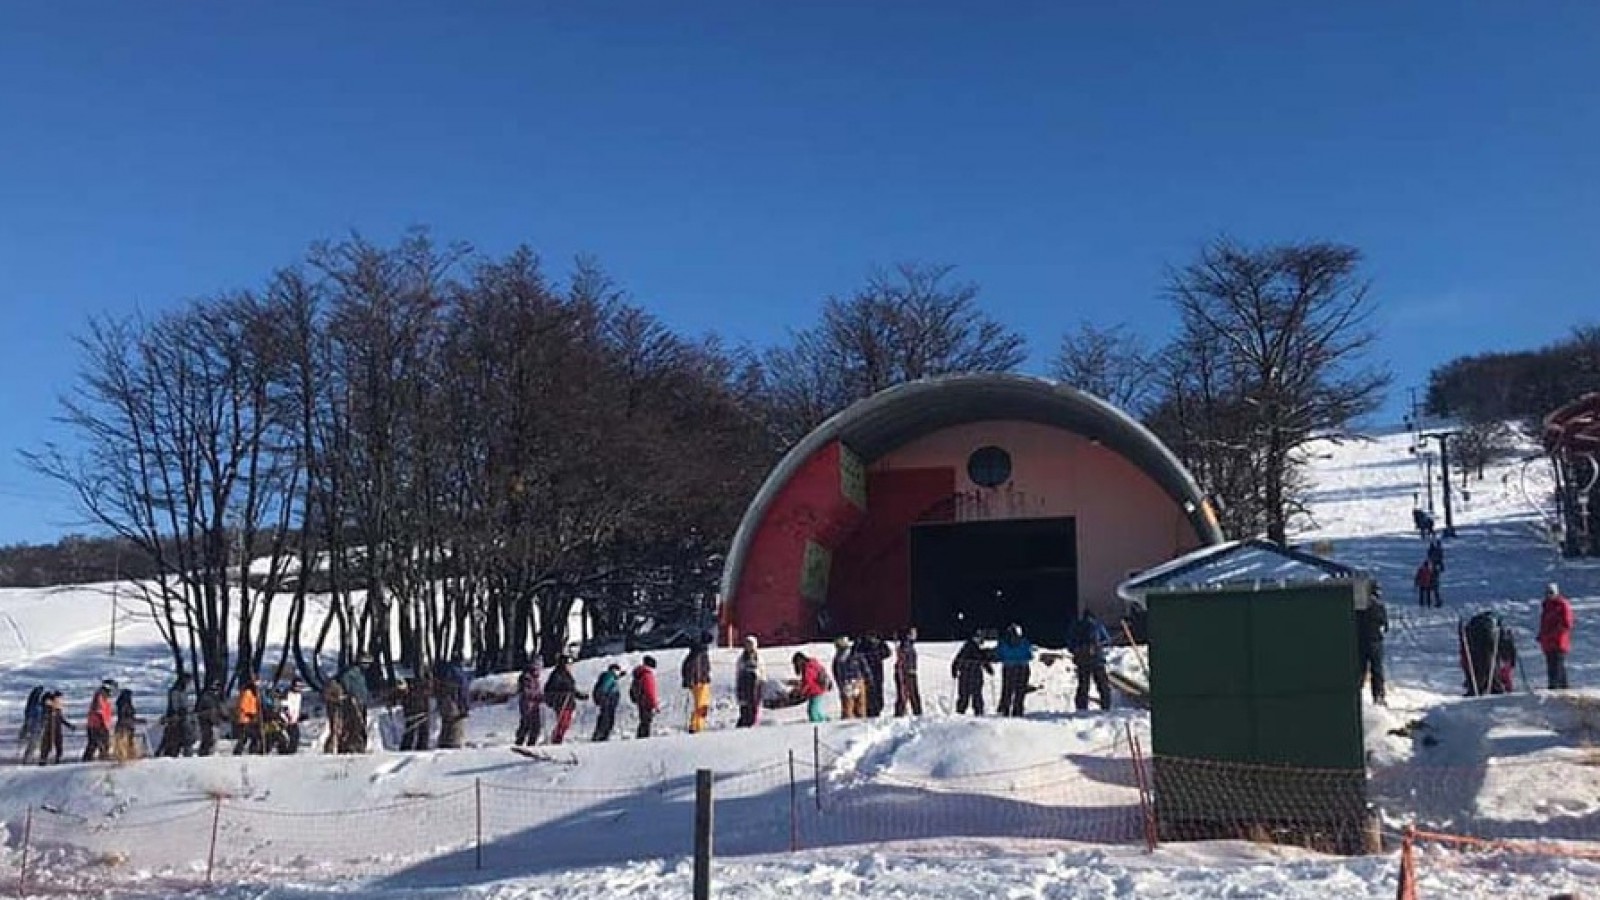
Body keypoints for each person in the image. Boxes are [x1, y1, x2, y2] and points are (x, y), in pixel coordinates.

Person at [1066, 610, 1113, 712]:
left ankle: (1081, 707)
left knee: (1083, 685)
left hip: (1082, 661)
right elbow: (1107, 640)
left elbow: (1070, 643)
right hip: (1097, 660)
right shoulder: (1098, 625)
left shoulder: (1076, 626)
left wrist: (1076, 650)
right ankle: (1106, 706)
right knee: (1102, 684)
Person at [1355, 584, 1389, 705]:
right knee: (1377, 670)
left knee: (1360, 670)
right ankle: (1379, 697)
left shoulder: (1359, 606)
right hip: (1375, 641)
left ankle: (1356, 696)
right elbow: (1385, 626)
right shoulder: (1379, 606)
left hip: (1361, 641)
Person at [1538, 581, 1574, 690]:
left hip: (1558, 641)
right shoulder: (1546, 606)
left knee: (1556, 665)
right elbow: (1544, 623)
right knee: (1553, 665)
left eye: (1551, 592)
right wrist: (1542, 635)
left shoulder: (1562, 605)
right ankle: (1563, 687)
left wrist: (1555, 632)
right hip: (1548, 642)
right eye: (1548, 593)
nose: (1549, 595)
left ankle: (1554, 687)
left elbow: (1567, 623)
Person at [995, 624, 1035, 717]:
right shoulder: (1024, 641)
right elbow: (1029, 654)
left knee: (1007, 689)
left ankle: (1005, 710)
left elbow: (999, 654)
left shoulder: (1003, 642)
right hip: (1022, 667)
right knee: (1020, 690)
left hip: (1008, 667)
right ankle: (1018, 711)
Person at [543, 655, 584, 745]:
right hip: (561, 702)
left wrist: (580, 695)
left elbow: (571, 689)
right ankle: (556, 739)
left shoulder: (567, 675)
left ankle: (559, 738)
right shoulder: (557, 674)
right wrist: (558, 695)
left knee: (566, 723)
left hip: (569, 702)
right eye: (568, 664)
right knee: (562, 722)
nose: (570, 666)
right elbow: (551, 689)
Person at [952, 634, 992, 715]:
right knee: (973, 695)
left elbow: (956, 661)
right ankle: (977, 712)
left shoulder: (970, 648)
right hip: (971, 675)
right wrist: (988, 668)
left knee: (967, 695)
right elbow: (983, 660)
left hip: (969, 675)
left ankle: (962, 712)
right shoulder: (972, 648)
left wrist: (954, 670)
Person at [434, 659, 470, 749]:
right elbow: (463, 692)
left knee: (445, 723)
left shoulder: (443, 673)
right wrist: (465, 707)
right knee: (456, 724)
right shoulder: (461, 676)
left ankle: (443, 742)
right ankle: (454, 744)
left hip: (443, 701)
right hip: (454, 703)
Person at [158, 674, 195, 758]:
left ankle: (186, 755)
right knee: (172, 739)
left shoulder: (184, 691)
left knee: (186, 738)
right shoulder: (175, 691)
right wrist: (180, 712)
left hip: (184, 718)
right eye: (187, 681)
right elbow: (175, 705)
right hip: (175, 718)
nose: (189, 683)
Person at [856, 632, 892, 718]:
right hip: (865, 671)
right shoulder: (861, 643)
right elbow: (856, 654)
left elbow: (887, 653)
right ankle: (869, 710)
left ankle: (877, 709)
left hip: (877, 671)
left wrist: (878, 651)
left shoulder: (879, 643)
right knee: (868, 691)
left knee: (878, 690)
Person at [681, 637, 712, 733]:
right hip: (699, 682)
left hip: (702, 681)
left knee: (702, 705)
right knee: (701, 705)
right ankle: (695, 727)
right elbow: (692, 669)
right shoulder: (698, 654)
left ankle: (697, 726)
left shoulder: (697, 654)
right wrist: (690, 681)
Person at [831, 637, 868, 719]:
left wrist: (866, 678)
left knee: (859, 706)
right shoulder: (838, 658)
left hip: (857, 681)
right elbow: (836, 672)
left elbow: (864, 667)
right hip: (847, 682)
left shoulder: (855, 655)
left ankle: (862, 724)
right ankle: (849, 726)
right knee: (848, 708)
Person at [735, 635, 765, 728]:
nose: (748, 646)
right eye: (747, 644)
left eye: (750, 644)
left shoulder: (758, 658)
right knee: (744, 706)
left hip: (755, 684)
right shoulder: (741, 658)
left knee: (754, 705)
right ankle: (743, 722)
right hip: (744, 683)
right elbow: (738, 671)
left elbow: (762, 671)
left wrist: (762, 682)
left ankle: (752, 723)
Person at [792, 652, 830, 723]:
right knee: (816, 709)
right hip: (818, 690)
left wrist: (801, 692)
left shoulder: (807, 668)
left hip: (815, 691)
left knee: (812, 711)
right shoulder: (812, 664)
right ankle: (825, 720)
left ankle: (816, 724)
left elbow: (808, 682)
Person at [38, 691, 74, 765]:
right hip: (49, 730)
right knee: (47, 746)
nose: (61, 701)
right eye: (59, 699)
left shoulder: (57, 709)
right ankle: (43, 761)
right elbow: (45, 718)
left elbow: (60, 718)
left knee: (59, 746)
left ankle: (57, 760)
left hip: (57, 729)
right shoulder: (49, 708)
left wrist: (69, 725)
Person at [893, 628, 922, 717]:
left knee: (913, 694)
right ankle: (902, 713)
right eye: (913, 633)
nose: (915, 635)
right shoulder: (906, 645)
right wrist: (903, 670)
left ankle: (916, 712)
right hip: (906, 673)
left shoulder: (910, 645)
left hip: (911, 672)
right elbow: (902, 659)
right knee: (905, 694)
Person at [83, 680, 115, 762]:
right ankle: (97, 759)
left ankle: (100, 758)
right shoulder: (100, 696)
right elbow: (99, 710)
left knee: (98, 744)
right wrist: (103, 723)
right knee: (97, 743)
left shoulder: (103, 697)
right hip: (97, 725)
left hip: (100, 724)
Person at [515, 660, 544, 747]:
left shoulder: (535, 679)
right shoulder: (527, 678)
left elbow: (536, 691)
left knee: (535, 725)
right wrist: (536, 697)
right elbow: (526, 692)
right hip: (527, 704)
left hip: (534, 705)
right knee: (527, 724)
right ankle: (520, 742)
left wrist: (541, 696)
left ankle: (531, 743)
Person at [398, 675, 431, 751]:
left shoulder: (418, 686)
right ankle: (407, 749)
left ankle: (422, 749)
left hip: (420, 709)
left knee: (421, 733)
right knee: (411, 733)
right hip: (414, 710)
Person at [591, 663, 623, 742]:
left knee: (607, 718)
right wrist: (605, 699)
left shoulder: (611, 677)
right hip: (608, 701)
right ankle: (601, 735)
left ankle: (603, 734)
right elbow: (604, 688)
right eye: (617, 670)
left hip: (610, 701)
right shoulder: (609, 676)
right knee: (606, 719)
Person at [631, 656, 660, 738]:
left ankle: (641, 737)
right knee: (646, 722)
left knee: (643, 721)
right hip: (647, 702)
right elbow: (650, 690)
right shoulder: (647, 675)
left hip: (641, 701)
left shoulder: (640, 674)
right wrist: (654, 704)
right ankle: (643, 739)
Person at [112, 688, 145, 761]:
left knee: (127, 745)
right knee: (124, 746)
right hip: (124, 728)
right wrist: (135, 721)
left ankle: (129, 758)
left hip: (127, 727)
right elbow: (124, 717)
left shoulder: (123, 704)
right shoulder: (124, 705)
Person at [234, 676, 263, 756]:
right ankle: (237, 752)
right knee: (244, 737)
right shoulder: (248, 692)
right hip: (245, 718)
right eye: (257, 682)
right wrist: (249, 713)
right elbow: (243, 705)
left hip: (253, 718)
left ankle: (252, 751)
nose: (258, 684)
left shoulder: (256, 693)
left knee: (254, 736)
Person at [195, 681, 224, 756]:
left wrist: (223, 716)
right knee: (207, 736)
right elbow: (205, 710)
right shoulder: (207, 697)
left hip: (212, 720)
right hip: (205, 720)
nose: (217, 691)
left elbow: (219, 708)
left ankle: (208, 751)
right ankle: (203, 752)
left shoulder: (215, 698)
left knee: (212, 737)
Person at [19, 685, 45, 764]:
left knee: (34, 743)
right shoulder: (34, 706)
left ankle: (28, 758)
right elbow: (29, 717)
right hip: (34, 726)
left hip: (36, 725)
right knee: (33, 743)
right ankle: (27, 759)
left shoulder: (37, 704)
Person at [281, 679, 304, 754]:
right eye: (297, 686)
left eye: (300, 686)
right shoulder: (287, 693)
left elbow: (297, 707)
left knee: (296, 735)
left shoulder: (299, 695)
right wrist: (287, 715)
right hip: (286, 718)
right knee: (290, 735)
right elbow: (284, 705)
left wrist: (299, 715)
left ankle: (292, 751)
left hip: (294, 719)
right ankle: (286, 750)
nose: (299, 688)